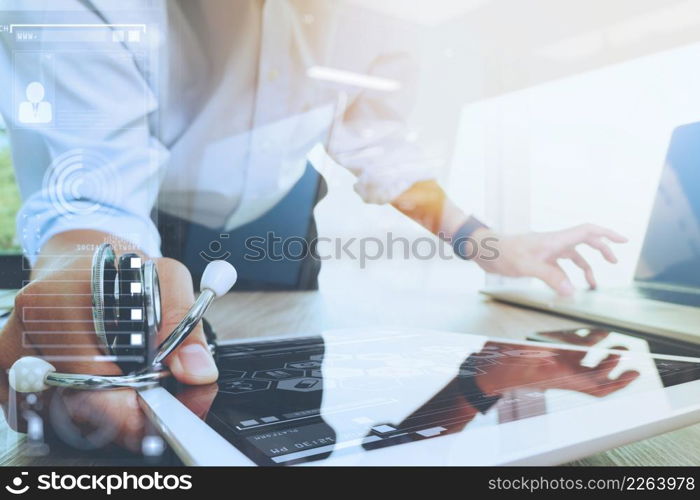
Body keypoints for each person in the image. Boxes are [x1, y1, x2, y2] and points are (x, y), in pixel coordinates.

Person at [0, 1, 626, 450]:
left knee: (284, 409)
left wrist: (490, 247)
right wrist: (89, 264)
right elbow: (94, 189)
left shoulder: (379, 18)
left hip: (281, 212)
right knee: (155, 387)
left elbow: (383, 150)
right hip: (152, 210)